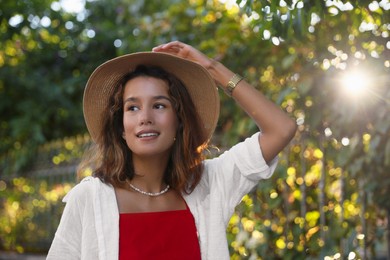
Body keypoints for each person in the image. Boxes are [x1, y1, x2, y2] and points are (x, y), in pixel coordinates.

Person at [46, 41, 297, 260]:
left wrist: (211, 68)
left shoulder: (209, 185)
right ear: (121, 127)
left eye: (159, 105)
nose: (145, 117)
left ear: (179, 120)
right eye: (132, 108)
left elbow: (282, 129)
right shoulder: (89, 198)